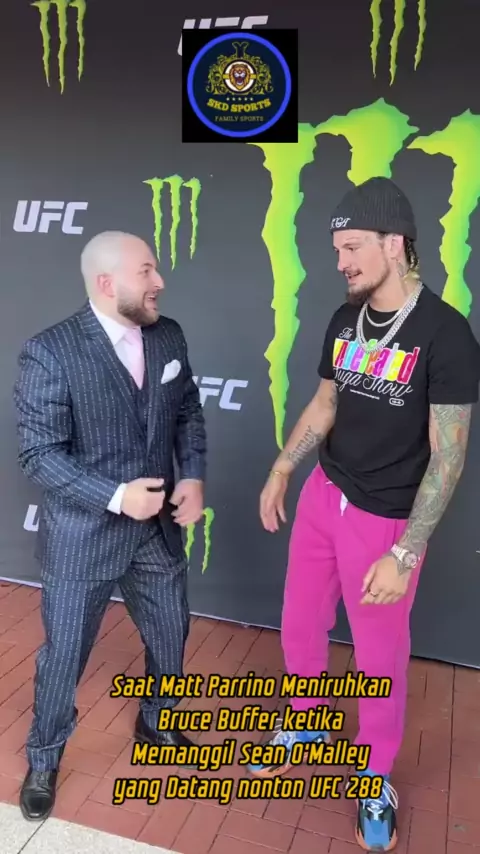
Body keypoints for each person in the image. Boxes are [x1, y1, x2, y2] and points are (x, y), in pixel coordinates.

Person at [251, 178, 480, 852]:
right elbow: (327, 403)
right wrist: (284, 466)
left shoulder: (446, 335)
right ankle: (305, 720)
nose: (341, 262)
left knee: (379, 656)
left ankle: (375, 774)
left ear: (395, 243)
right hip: (325, 496)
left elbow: (448, 458)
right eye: (337, 250)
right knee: (300, 622)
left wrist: (406, 552)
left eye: (352, 247)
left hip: (386, 522)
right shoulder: (344, 320)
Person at [13, 230, 206, 821]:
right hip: (83, 538)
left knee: (171, 633)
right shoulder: (50, 351)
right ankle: (44, 758)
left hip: (157, 533)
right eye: (146, 271)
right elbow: (39, 456)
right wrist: (119, 496)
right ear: (106, 282)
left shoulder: (168, 335)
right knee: (65, 654)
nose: (159, 282)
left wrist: (194, 476)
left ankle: (157, 722)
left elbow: (188, 410)